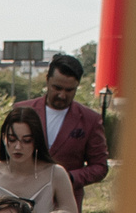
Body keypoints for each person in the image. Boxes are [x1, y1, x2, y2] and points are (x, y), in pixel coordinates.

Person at [0, 106, 80, 213]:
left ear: (36, 141)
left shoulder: (56, 174)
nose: (18, 147)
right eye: (12, 139)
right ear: (4, 138)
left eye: (26, 140)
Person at [37, 53, 109, 201]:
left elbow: (100, 167)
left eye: (69, 90)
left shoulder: (91, 120)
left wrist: (69, 177)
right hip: (23, 201)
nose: (62, 95)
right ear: (47, 81)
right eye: (57, 88)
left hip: (66, 203)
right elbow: (1, 155)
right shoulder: (23, 111)